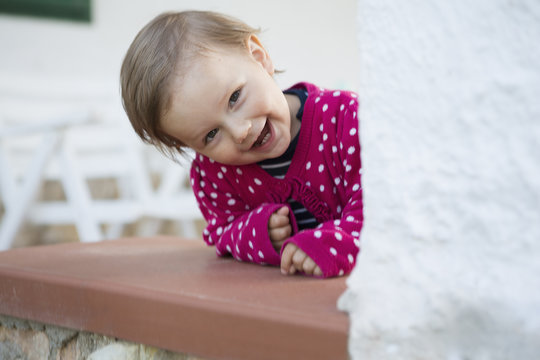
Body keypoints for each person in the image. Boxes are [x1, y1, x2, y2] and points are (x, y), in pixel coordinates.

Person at [120, 10, 363, 278]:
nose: (240, 131)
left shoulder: (344, 119)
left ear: (259, 58)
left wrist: (331, 244)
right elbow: (223, 231)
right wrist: (260, 232)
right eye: (211, 135)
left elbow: (381, 203)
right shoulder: (217, 173)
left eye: (234, 97)